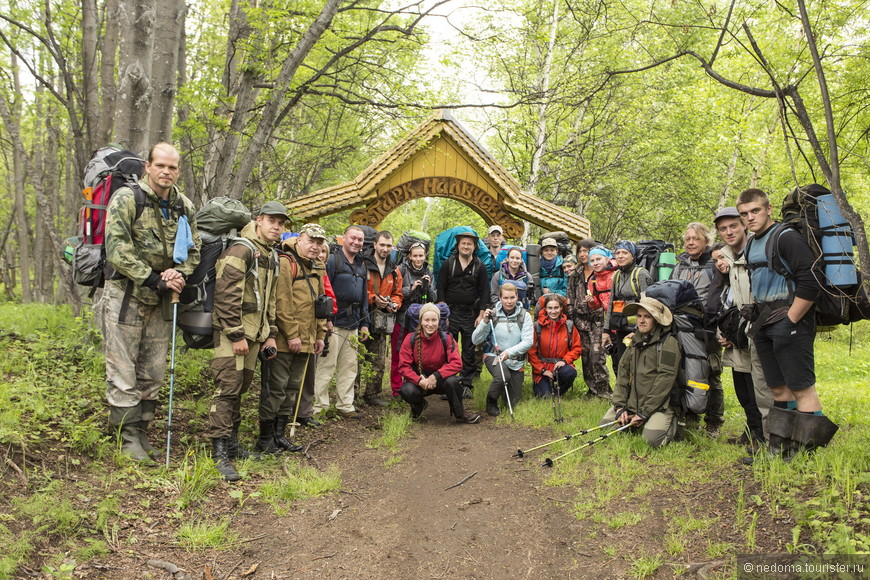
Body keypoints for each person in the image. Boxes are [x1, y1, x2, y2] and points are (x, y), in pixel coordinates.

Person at [103, 142, 201, 463]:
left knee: (153, 371)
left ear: (178, 171)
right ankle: (126, 437)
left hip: (162, 299)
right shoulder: (128, 198)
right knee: (123, 367)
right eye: (160, 165)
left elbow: (194, 249)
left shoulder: (183, 205)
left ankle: (141, 432)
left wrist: (178, 274)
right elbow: (116, 247)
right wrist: (152, 278)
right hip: (127, 294)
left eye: (172, 167)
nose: (166, 172)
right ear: (148, 166)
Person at [737, 188, 838, 459]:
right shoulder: (751, 242)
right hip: (764, 323)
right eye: (745, 214)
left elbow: (810, 279)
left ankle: (806, 454)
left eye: (755, 211)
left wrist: (792, 318)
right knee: (779, 388)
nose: (750, 217)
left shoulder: (785, 237)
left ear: (768, 209)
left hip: (790, 321)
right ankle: (779, 450)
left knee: (802, 388)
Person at [207, 201, 286, 481]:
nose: (277, 227)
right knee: (227, 390)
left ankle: (232, 445)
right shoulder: (242, 249)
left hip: (256, 335)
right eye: (272, 221)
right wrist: (235, 334)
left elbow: (271, 300)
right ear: (259, 220)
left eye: (281, 223)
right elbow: (226, 293)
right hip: (234, 334)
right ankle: (218, 452)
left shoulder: (272, 255)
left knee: (239, 390)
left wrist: (270, 334)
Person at [268, 224, 329, 457]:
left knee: (293, 388)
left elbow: (320, 304)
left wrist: (320, 335)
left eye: (319, 243)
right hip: (285, 340)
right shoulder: (286, 261)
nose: (315, 246)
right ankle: (267, 438)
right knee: (277, 388)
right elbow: (282, 302)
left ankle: (280, 434)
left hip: (307, 339)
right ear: (300, 239)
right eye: (311, 241)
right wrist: (292, 334)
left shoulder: (317, 266)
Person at [713, 206, 772, 439]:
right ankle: (753, 430)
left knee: (762, 387)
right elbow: (727, 299)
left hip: (758, 330)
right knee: (743, 388)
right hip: (736, 334)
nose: (729, 232)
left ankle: (766, 435)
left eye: (733, 226)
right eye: (723, 229)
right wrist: (724, 330)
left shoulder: (757, 252)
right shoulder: (725, 257)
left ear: (743, 225)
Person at [600, 297, 681, 448]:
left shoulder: (669, 343)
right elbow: (622, 375)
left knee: (649, 442)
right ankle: (634, 418)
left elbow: (665, 380)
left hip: (660, 405)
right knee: (605, 426)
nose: (642, 321)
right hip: (633, 403)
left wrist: (645, 412)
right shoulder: (634, 341)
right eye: (639, 316)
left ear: (656, 319)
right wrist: (620, 407)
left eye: (647, 316)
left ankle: (672, 424)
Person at [709, 239, 765, 446]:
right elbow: (723, 312)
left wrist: (736, 335)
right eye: (715, 261)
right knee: (743, 392)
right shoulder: (724, 285)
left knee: (754, 390)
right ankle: (751, 432)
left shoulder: (745, 278)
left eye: (722, 257)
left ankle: (760, 434)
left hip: (747, 342)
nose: (719, 263)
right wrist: (721, 335)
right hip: (732, 345)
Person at [670, 222, 724, 438]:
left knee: (710, 373)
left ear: (706, 241)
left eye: (696, 239)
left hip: (706, 329)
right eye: (687, 239)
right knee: (684, 371)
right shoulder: (679, 265)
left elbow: (720, 296)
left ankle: (714, 421)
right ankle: (690, 414)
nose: (691, 243)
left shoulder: (714, 264)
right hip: (680, 327)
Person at [314, 225, 370, 419]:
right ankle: (318, 406)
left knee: (349, 366)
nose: (356, 242)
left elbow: (364, 295)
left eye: (360, 240)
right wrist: (326, 319)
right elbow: (323, 290)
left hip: (354, 322)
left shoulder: (362, 265)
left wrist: (365, 323)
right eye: (353, 238)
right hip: (334, 323)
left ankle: (345, 405)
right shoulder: (332, 260)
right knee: (326, 366)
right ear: (343, 238)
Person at [397, 303, 480, 424]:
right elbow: (404, 367)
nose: (430, 324)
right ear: (420, 321)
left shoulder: (447, 338)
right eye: (426, 320)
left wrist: (436, 376)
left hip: (442, 380)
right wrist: (419, 381)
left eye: (434, 320)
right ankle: (418, 406)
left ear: (439, 321)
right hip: (420, 380)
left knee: (453, 381)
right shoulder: (410, 339)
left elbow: (457, 363)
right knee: (406, 390)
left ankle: (460, 413)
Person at [437, 231, 489, 394]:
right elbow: (440, 289)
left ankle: (466, 384)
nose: (466, 246)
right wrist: (444, 314)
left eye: (470, 244)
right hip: (451, 312)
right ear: (458, 246)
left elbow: (485, 290)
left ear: (475, 247)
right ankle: (448, 383)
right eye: (463, 244)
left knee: (469, 349)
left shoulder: (479, 266)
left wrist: (481, 315)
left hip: (470, 313)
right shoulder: (448, 264)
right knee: (448, 348)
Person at [357, 231, 403, 407]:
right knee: (357, 358)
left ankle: (373, 393)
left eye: (388, 246)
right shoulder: (363, 264)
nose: (385, 249)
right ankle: (352, 395)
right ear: (375, 245)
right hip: (363, 315)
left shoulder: (394, 269)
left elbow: (398, 294)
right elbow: (358, 288)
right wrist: (372, 298)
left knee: (378, 358)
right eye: (382, 245)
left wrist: (395, 304)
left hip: (383, 319)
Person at [472, 283, 534, 416]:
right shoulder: (492, 314)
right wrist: (484, 322)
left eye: (512, 297)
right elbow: (475, 340)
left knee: (513, 403)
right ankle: (491, 401)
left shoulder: (525, 316)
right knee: (502, 376)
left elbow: (528, 342)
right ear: (500, 298)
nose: (509, 301)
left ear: (517, 296)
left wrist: (509, 353)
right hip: (494, 356)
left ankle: (503, 394)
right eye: (505, 298)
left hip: (515, 361)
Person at [391, 242, 437, 396]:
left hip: (420, 321)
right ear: (409, 256)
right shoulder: (402, 269)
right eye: (415, 256)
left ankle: (413, 386)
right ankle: (397, 389)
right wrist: (410, 289)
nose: (418, 259)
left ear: (425, 257)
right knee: (398, 354)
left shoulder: (428, 272)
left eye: (421, 256)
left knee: (416, 356)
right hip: (403, 318)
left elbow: (434, 297)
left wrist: (428, 286)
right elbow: (395, 292)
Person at [567, 241, 611, 398]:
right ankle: (592, 390)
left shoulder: (601, 272)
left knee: (597, 356)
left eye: (586, 251)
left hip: (598, 320)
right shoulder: (575, 274)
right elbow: (570, 296)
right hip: (580, 321)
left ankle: (604, 391)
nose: (582, 254)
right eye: (580, 251)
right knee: (585, 357)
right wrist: (572, 316)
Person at [602, 241, 652, 370]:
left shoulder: (641, 274)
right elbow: (611, 303)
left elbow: (649, 304)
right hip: (620, 327)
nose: (620, 256)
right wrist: (606, 331)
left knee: (638, 365)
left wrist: (638, 331)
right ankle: (623, 390)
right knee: (622, 364)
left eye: (625, 252)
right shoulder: (617, 275)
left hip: (639, 329)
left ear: (633, 256)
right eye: (618, 253)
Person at [528, 294, 583, 398]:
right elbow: (531, 352)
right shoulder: (537, 327)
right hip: (542, 368)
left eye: (556, 308)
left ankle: (559, 392)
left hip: (560, 365)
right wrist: (542, 370)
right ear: (545, 309)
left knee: (570, 373)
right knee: (545, 397)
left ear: (561, 308)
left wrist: (565, 360)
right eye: (550, 308)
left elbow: (577, 348)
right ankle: (547, 389)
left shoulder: (569, 326)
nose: (553, 311)